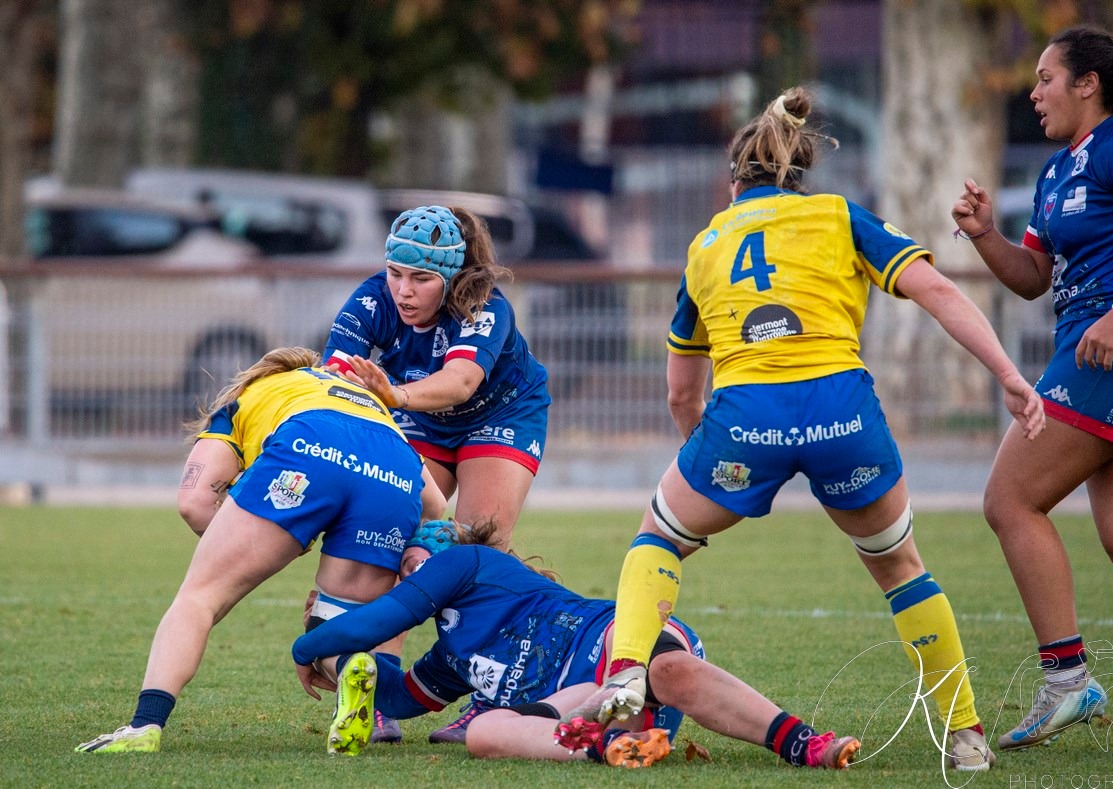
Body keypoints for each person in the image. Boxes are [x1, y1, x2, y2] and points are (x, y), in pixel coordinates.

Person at [555, 87, 1048, 774]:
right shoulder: (838, 216)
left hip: (743, 421)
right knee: (900, 567)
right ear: (799, 174)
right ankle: (965, 737)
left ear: (733, 183)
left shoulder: (706, 244)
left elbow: (678, 390)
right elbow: (935, 290)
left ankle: (627, 670)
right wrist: (1008, 374)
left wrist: (712, 457)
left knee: (658, 536)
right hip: (842, 415)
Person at [951, 25, 1113, 752]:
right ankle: (1066, 681)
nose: (1033, 90)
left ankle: (1066, 679)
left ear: (1087, 84)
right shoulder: (1058, 171)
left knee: (1008, 500)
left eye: (1046, 77)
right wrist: (988, 235)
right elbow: (1030, 279)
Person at [75, 347, 445, 753]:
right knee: (331, 625)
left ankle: (144, 726)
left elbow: (194, 501)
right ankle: (347, 669)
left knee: (201, 598)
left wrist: (259, 544)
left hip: (312, 445)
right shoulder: (361, 396)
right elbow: (435, 503)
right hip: (392, 469)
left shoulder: (250, 397)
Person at [290, 519, 860, 770]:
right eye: (406, 571)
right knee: (485, 731)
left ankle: (802, 743)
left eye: (416, 566)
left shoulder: (466, 561)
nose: (411, 578)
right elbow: (397, 696)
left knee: (660, 672)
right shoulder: (451, 655)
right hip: (584, 705)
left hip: (618, 639)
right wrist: (340, 664)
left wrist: (304, 646)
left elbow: (382, 618)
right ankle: (608, 749)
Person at [323, 204, 551, 742]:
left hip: (501, 414)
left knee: (478, 553)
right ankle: (373, 697)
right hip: (421, 416)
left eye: (421, 278)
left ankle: (493, 700)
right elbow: (333, 377)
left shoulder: (485, 308)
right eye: (395, 273)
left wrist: (394, 395)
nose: (403, 290)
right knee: (386, 534)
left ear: (450, 277)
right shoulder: (372, 298)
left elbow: (460, 382)